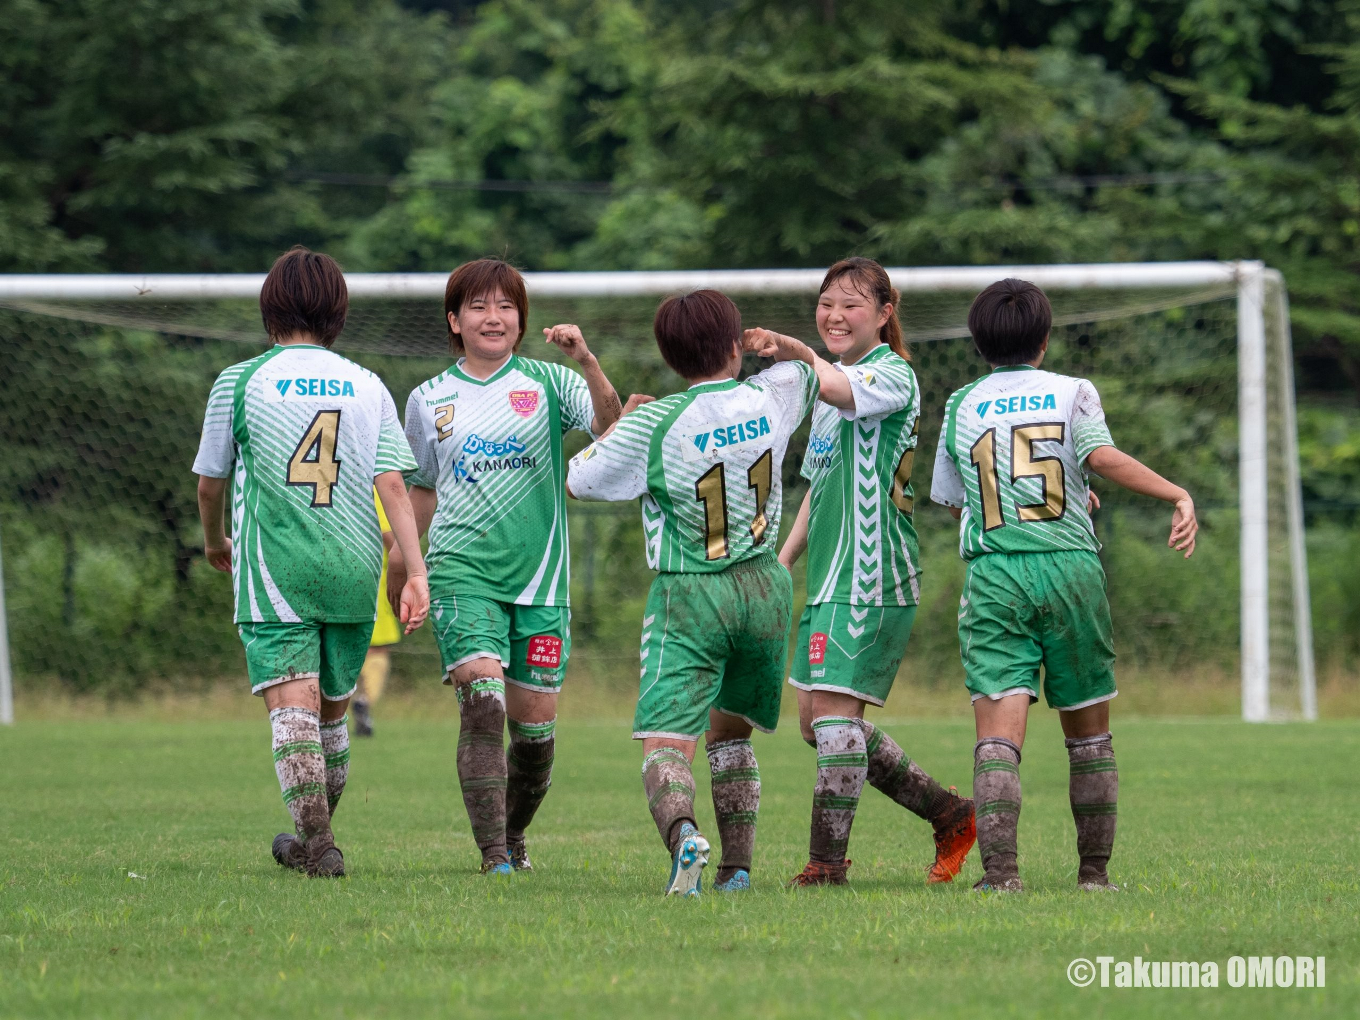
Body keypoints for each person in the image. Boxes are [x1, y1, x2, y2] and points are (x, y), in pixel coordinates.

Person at [930, 278, 1198, 892]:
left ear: (978, 342)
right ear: (1045, 341)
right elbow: (1098, 456)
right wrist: (1176, 493)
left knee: (998, 738)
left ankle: (1001, 878)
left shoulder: (962, 404)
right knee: (1088, 733)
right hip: (1071, 568)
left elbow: (956, 502)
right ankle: (1094, 877)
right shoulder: (1074, 391)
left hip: (996, 575)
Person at [567, 289, 818, 897]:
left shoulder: (656, 423)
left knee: (666, 740)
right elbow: (811, 370)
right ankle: (737, 871)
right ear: (735, 347)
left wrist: (623, 424)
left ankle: (685, 838)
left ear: (670, 357)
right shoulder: (770, 394)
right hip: (765, 585)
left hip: (692, 592)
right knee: (730, 736)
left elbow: (578, 479)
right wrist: (779, 344)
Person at [194, 246, 430, 878]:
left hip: (277, 566)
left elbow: (210, 483)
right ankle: (309, 843)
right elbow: (394, 488)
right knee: (331, 711)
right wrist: (414, 572)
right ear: (338, 312)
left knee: (290, 710)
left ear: (270, 308)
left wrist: (214, 540)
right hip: (355, 564)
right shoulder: (368, 384)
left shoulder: (240, 382)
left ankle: (321, 845)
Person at [387, 258, 623, 875]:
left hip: (540, 583)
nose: (494, 317)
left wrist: (587, 362)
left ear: (521, 320)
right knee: (483, 701)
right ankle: (493, 857)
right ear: (455, 320)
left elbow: (612, 429)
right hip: (461, 572)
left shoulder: (550, 382)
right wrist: (403, 569)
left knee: (536, 742)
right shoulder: (428, 399)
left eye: (506, 306)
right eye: (479, 306)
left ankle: (513, 834)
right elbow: (420, 493)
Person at [748, 257, 976, 888]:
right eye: (826, 303)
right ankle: (950, 811)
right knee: (814, 724)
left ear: (883, 313)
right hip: (828, 575)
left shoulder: (889, 373)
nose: (835, 315)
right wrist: (781, 563)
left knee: (835, 725)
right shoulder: (828, 388)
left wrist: (795, 351)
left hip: (873, 573)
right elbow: (818, 491)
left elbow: (840, 389)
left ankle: (826, 867)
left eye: (851, 304)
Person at [352, 489, 402, 738]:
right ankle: (363, 700)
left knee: (340, 643)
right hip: (374, 577)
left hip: (335, 570)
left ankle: (329, 707)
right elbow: (388, 534)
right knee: (376, 650)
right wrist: (407, 565)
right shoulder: (375, 486)